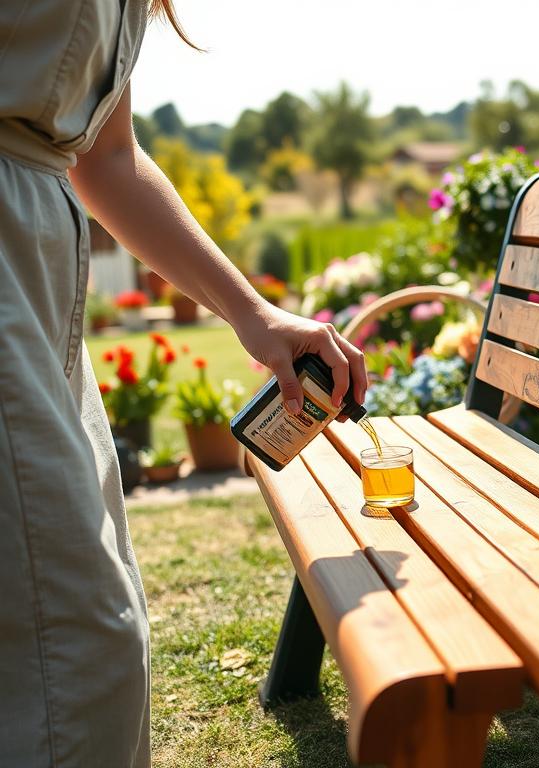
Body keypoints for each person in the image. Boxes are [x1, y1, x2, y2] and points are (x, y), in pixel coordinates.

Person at [0, 2, 367, 765]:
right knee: (71, 651)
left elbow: (106, 155)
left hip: (37, 279)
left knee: (83, 639)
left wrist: (253, 314)